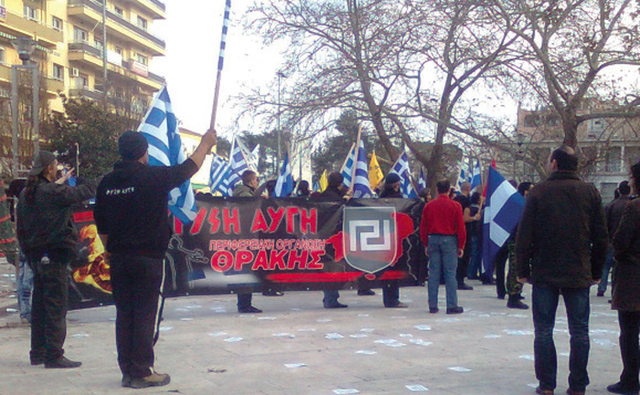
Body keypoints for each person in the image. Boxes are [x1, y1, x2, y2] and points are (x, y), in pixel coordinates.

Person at [94, 129, 216, 388]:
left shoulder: (107, 183)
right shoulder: (153, 177)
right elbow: (188, 168)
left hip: (118, 258)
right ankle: (141, 371)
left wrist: (111, 249)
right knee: (145, 314)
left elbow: (101, 224)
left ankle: (128, 369)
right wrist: (205, 144)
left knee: (125, 313)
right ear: (143, 152)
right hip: (148, 258)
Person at [516, 146, 608, 395]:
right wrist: (596, 271)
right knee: (579, 331)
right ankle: (578, 385)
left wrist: (522, 268)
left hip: (545, 270)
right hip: (579, 270)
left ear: (554, 163)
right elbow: (601, 237)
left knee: (544, 330)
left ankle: (547, 384)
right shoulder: (590, 192)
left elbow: (524, 235)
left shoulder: (539, 192)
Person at [16, 151, 97, 369]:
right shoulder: (52, 191)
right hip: (55, 256)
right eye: (55, 165)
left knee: (39, 305)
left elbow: (20, 228)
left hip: (35, 256)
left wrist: (30, 253)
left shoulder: (26, 194)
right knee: (56, 307)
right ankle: (54, 354)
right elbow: (86, 191)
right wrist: (80, 178)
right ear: (49, 168)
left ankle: (38, 352)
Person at [607, 163, 640, 395]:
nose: (629, 181)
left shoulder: (635, 208)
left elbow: (620, 242)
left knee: (629, 332)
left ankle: (630, 380)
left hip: (633, 277)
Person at [420, 179, 466, 314]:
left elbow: (423, 226)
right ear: (449, 190)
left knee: (433, 273)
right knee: (450, 274)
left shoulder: (429, 206)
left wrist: (425, 243)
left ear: (436, 189)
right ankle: (452, 305)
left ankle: (432, 305)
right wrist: (461, 245)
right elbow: (461, 228)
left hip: (433, 238)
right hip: (449, 240)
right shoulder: (456, 206)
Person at [232, 170, 267, 311]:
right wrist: (259, 197)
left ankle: (244, 302)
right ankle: (244, 304)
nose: (257, 182)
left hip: (244, 235)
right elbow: (249, 206)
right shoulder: (244, 194)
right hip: (244, 237)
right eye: (256, 180)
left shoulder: (242, 192)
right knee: (246, 270)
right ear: (251, 181)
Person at [377, 173, 408, 308]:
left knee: (386, 267)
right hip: (395, 237)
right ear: (396, 184)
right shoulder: (399, 200)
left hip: (382, 236)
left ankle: (387, 297)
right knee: (394, 267)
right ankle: (393, 298)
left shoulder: (380, 198)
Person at [320, 172, 349, 308]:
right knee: (333, 267)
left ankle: (329, 296)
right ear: (339, 184)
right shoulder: (337, 199)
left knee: (327, 266)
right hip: (334, 237)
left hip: (322, 236)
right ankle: (331, 298)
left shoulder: (321, 196)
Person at [503, 182, 534, 310]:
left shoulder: (522, 204)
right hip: (516, 240)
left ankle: (515, 293)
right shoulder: (520, 205)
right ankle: (513, 296)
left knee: (517, 267)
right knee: (516, 267)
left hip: (520, 239)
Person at [599, 181, 631, 298]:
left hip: (611, 240)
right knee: (618, 269)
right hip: (626, 243)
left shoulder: (611, 205)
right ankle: (615, 292)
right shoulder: (632, 205)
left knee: (606, 266)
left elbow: (604, 223)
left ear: (618, 190)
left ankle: (601, 288)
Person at [454, 182, 474, 291]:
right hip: (465, 231)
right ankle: (460, 280)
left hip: (455, 231)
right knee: (465, 256)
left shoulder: (455, 199)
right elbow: (465, 218)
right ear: (468, 188)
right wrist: (474, 217)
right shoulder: (466, 201)